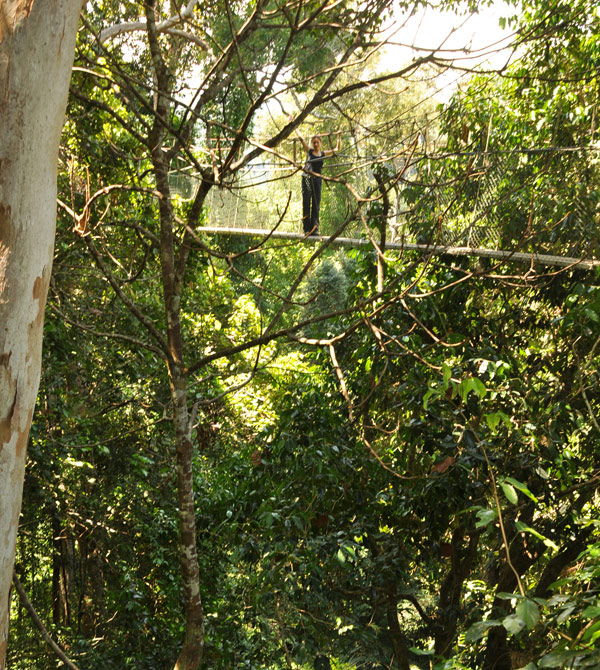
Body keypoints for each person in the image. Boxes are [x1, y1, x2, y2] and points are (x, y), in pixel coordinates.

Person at [294, 128, 341, 235]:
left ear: (320, 143)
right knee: (306, 203)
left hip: (317, 180)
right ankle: (306, 229)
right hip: (307, 179)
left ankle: (314, 229)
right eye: (314, 142)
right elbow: (302, 140)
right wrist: (295, 126)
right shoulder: (309, 151)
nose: (315, 144)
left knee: (316, 204)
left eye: (317, 142)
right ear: (312, 143)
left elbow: (337, 149)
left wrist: (339, 137)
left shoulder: (323, 153)